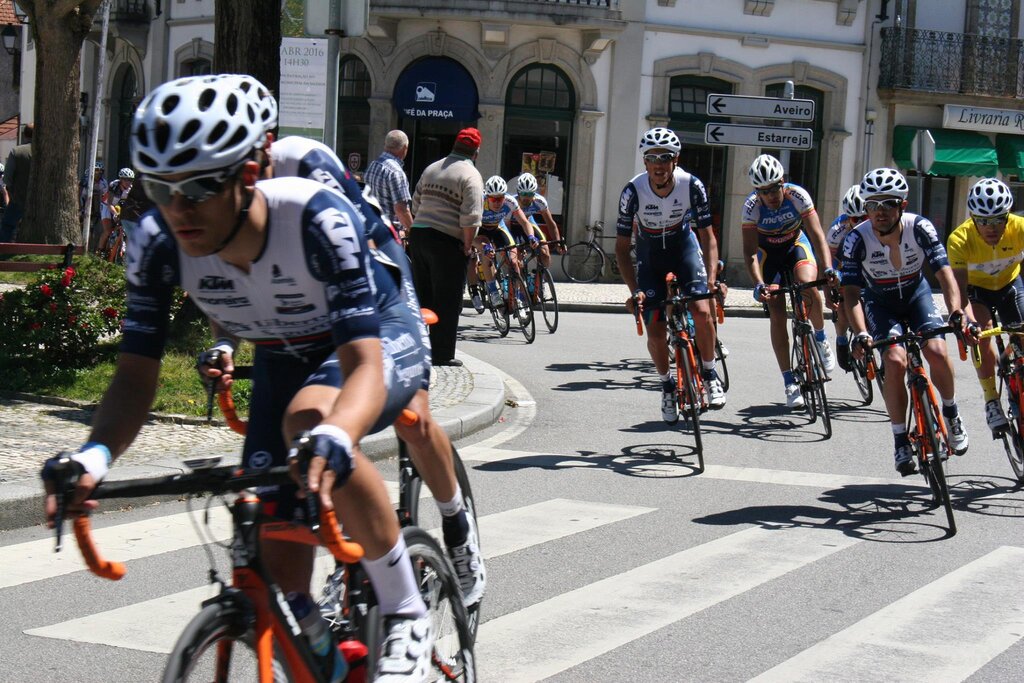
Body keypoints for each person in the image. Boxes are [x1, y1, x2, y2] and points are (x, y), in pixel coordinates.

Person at [41, 75, 436, 681]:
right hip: (283, 353)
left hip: (374, 334)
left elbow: (361, 367)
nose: (178, 209)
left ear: (248, 174)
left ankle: (407, 613)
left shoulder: (314, 217)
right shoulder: (157, 243)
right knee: (278, 568)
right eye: (159, 188)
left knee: (310, 420)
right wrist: (93, 456)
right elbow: (134, 378)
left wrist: (336, 434)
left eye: (198, 187)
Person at [226, 73, 483, 611]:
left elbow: (357, 255)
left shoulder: (305, 163)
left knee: (413, 416)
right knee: (306, 442)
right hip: (304, 315)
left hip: (376, 279)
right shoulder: (212, 209)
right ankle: (341, 573)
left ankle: (458, 529)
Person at [842, 167, 969, 475]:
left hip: (916, 295)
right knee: (894, 361)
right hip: (880, 302)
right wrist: (860, 333)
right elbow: (851, 294)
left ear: (902, 205)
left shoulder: (920, 228)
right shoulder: (856, 239)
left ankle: (951, 413)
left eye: (888, 203)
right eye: (873, 205)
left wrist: (955, 311)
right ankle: (900, 438)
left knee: (936, 351)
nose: (880, 211)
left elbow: (944, 275)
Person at [617, 127, 726, 423]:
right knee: (655, 330)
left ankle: (709, 372)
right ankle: (666, 386)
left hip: (683, 249)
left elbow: (708, 236)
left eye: (665, 157)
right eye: (652, 158)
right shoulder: (632, 191)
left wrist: (712, 279)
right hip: (650, 257)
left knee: (701, 310)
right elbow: (622, 247)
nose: (659, 164)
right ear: (645, 162)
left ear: (675, 160)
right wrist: (634, 290)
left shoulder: (692, 185)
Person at [742, 154, 836, 409]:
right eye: (763, 191)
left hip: (795, 245)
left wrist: (828, 268)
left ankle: (820, 338)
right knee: (776, 312)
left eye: (774, 188)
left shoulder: (797, 196)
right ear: (757, 192)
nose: (770, 195)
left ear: (782, 182)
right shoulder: (751, 208)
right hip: (768, 255)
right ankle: (789, 382)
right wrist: (759, 284)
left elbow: (817, 235)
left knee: (808, 286)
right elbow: (750, 253)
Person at [948, 177, 1024, 435]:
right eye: (983, 221)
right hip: (976, 291)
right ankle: (991, 400)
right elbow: (959, 290)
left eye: (998, 219)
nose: (991, 227)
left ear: (1008, 215)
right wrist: (967, 321)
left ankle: (1014, 362)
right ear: (972, 217)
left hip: (1010, 284)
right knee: (982, 331)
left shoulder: (1020, 228)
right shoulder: (959, 239)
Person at [408, 128, 485, 367]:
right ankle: (441, 354)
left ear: (454, 145)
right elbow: (471, 218)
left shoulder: (431, 168)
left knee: (423, 295)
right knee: (447, 300)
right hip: (446, 241)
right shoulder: (471, 175)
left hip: (419, 235)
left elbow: (415, 204)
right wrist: (467, 246)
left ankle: (417, 347)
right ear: (476, 152)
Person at [469, 174, 537, 310]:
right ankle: (493, 291)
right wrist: (482, 246)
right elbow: (470, 232)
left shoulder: (510, 202)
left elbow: (525, 222)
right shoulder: (478, 203)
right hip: (479, 230)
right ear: (487, 197)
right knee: (487, 252)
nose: (497, 202)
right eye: (493, 199)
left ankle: (517, 296)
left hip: (498, 228)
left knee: (513, 260)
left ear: (504, 197)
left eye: (500, 198)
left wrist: (531, 236)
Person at [826, 184, 867, 371]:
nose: (860, 222)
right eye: (855, 219)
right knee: (843, 305)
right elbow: (828, 264)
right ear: (848, 217)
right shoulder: (837, 231)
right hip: (843, 265)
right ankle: (841, 338)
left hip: (868, 265)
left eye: (864, 218)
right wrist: (828, 293)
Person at [365, 130, 414, 240]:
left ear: (385, 145)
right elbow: (401, 210)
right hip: (389, 235)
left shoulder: (373, 165)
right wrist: (413, 232)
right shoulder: (396, 172)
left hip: (371, 230)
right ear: (405, 148)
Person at [1, 123, 33, 244]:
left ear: (24, 135)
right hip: (40, 202)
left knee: (7, 227)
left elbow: (7, 179)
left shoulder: (17, 152)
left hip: (18, 200)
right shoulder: (46, 153)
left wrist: (12, 194)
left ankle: (5, 252)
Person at [96, 168, 135, 254]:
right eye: (126, 180)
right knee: (108, 231)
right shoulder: (114, 185)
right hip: (107, 205)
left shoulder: (131, 189)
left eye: (130, 180)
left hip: (119, 206)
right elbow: (110, 203)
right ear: (121, 179)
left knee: (125, 229)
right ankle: (99, 252)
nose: (128, 182)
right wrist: (115, 213)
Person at [80, 161, 108, 251]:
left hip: (98, 208)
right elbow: (79, 194)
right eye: (96, 170)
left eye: (101, 170)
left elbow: (105, 195)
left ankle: (94, 249)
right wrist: (80, 208)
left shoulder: (104, 182)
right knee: (85, 228)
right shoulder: (86, 181)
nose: (99, 172)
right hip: (85, 206)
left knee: (98, 231)